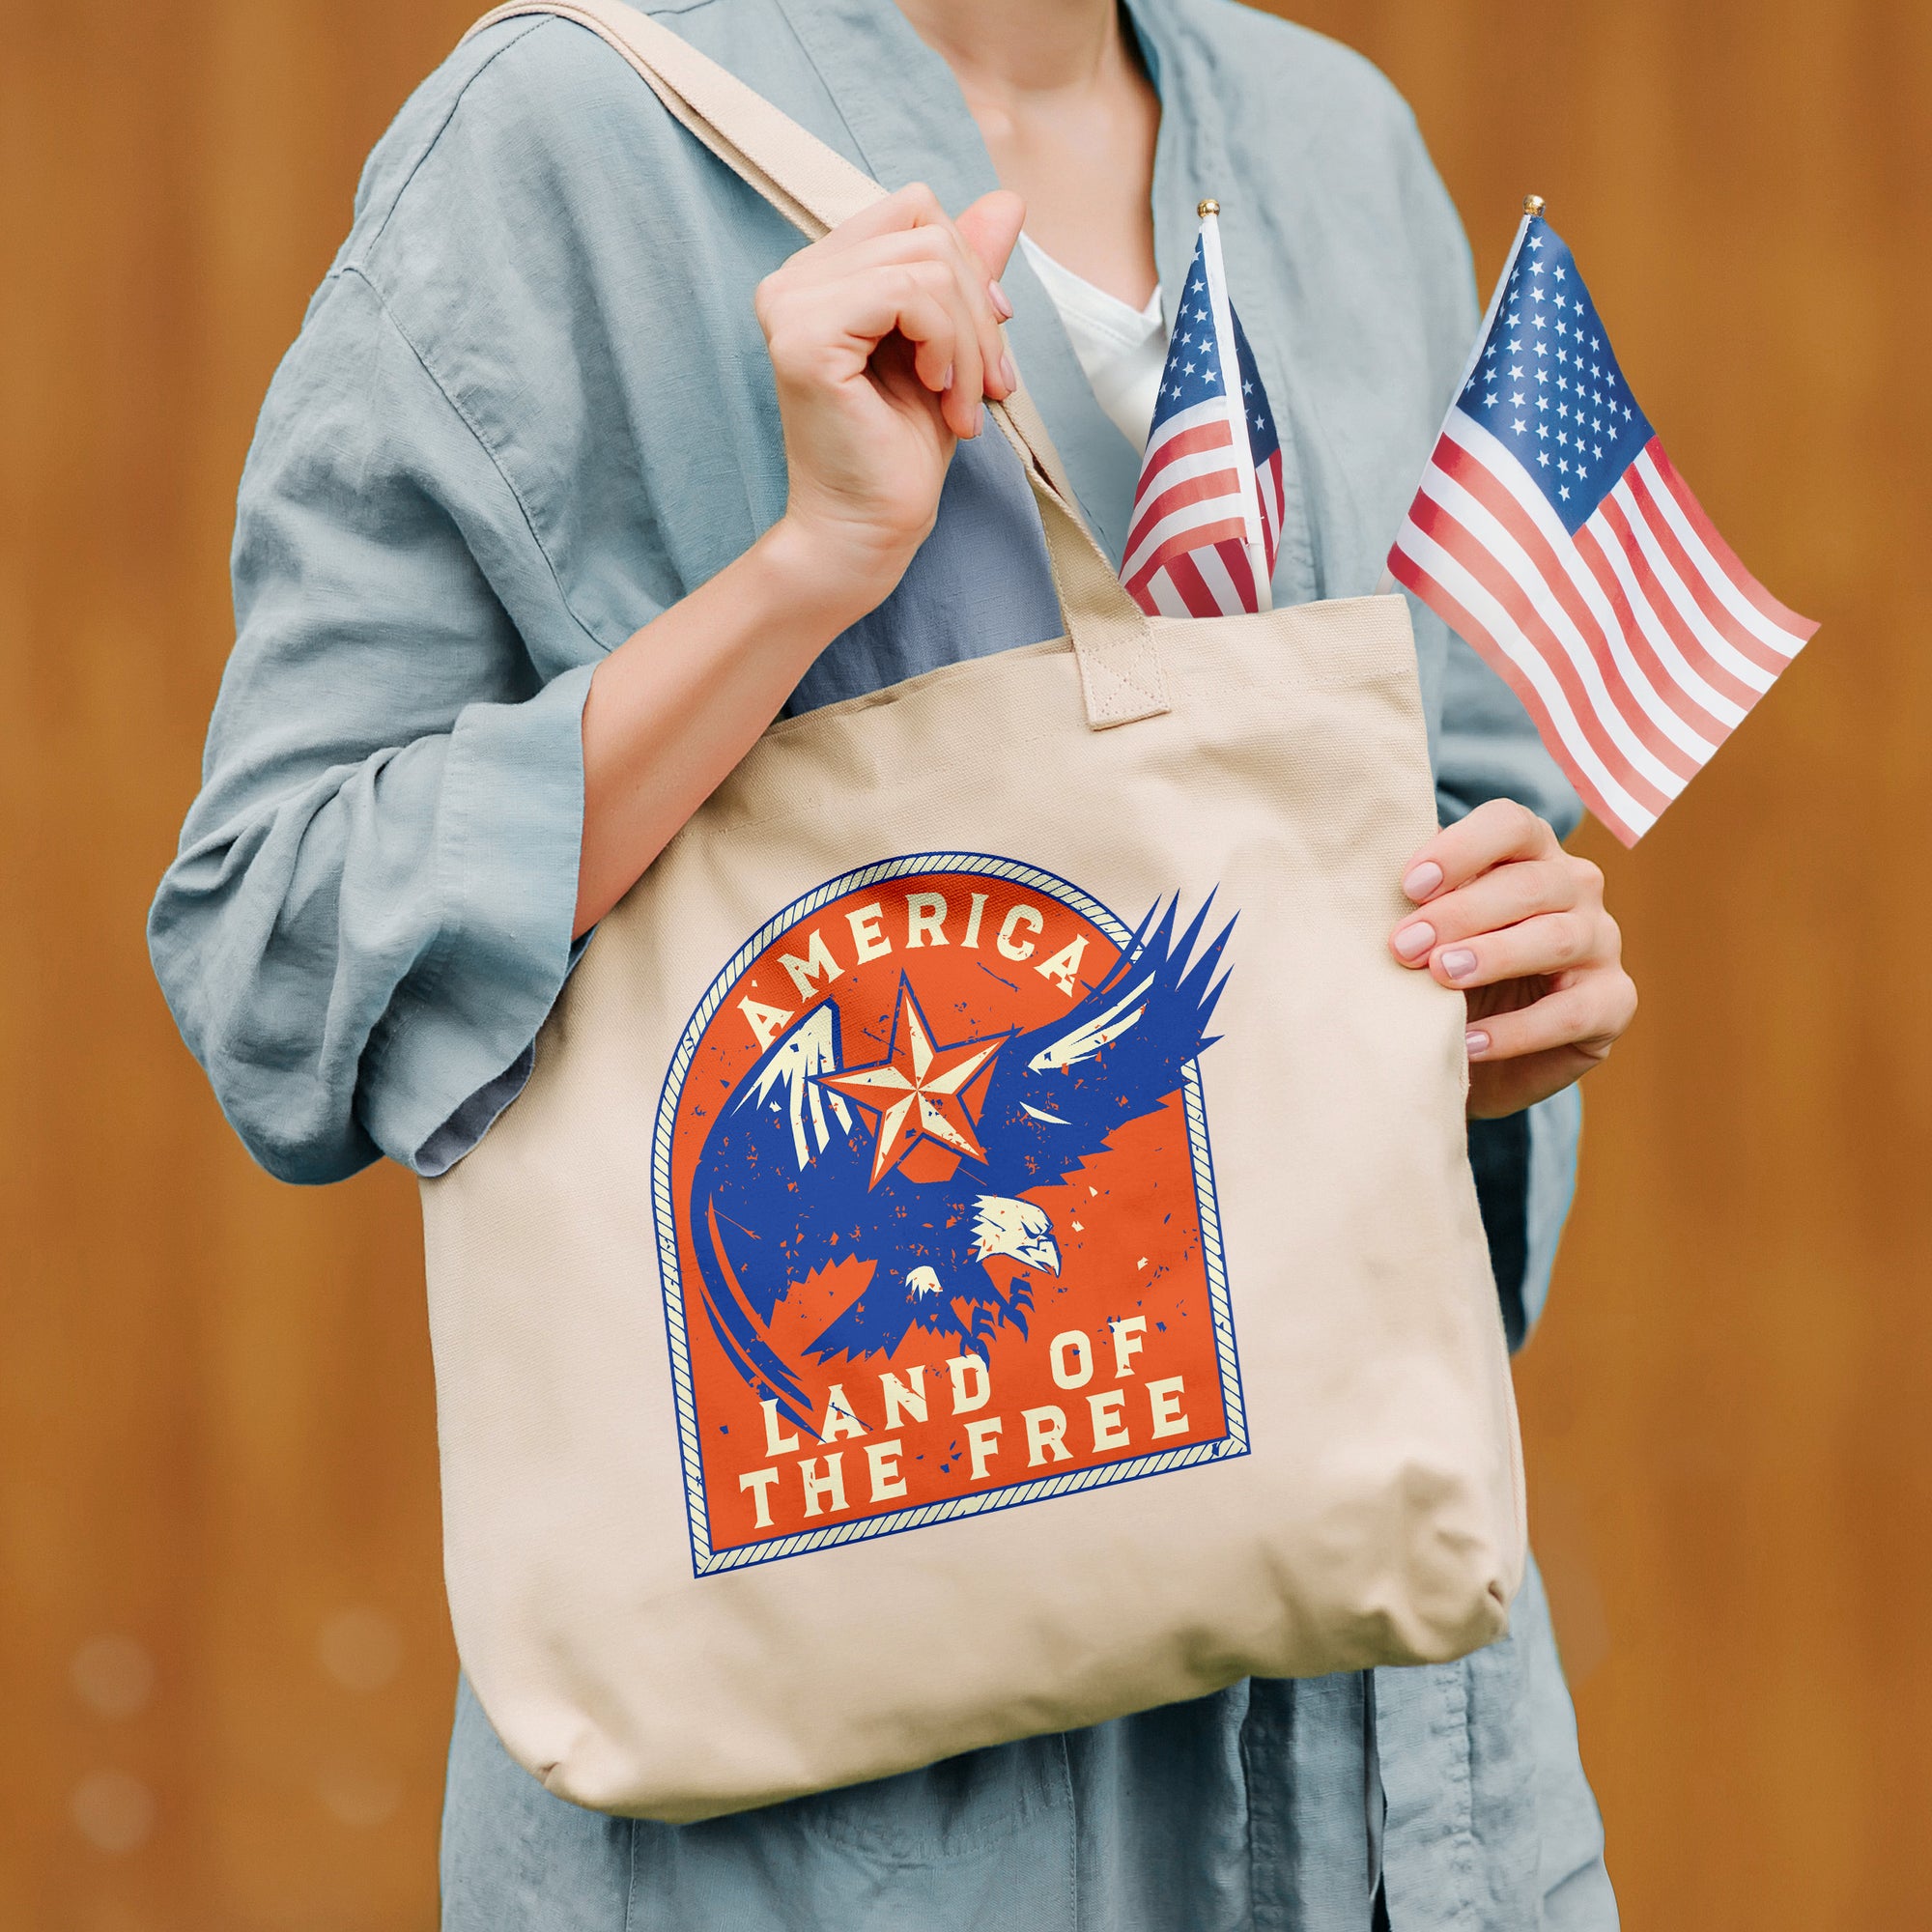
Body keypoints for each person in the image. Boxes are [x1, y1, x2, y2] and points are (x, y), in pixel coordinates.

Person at [150, 0, 1636, 1922]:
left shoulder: (1334, 141)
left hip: (1402, 1798)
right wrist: (805, 575)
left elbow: (1462, 806)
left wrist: (1493, 996)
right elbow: (279, 953)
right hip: (828, 1823)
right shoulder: (557, 143)